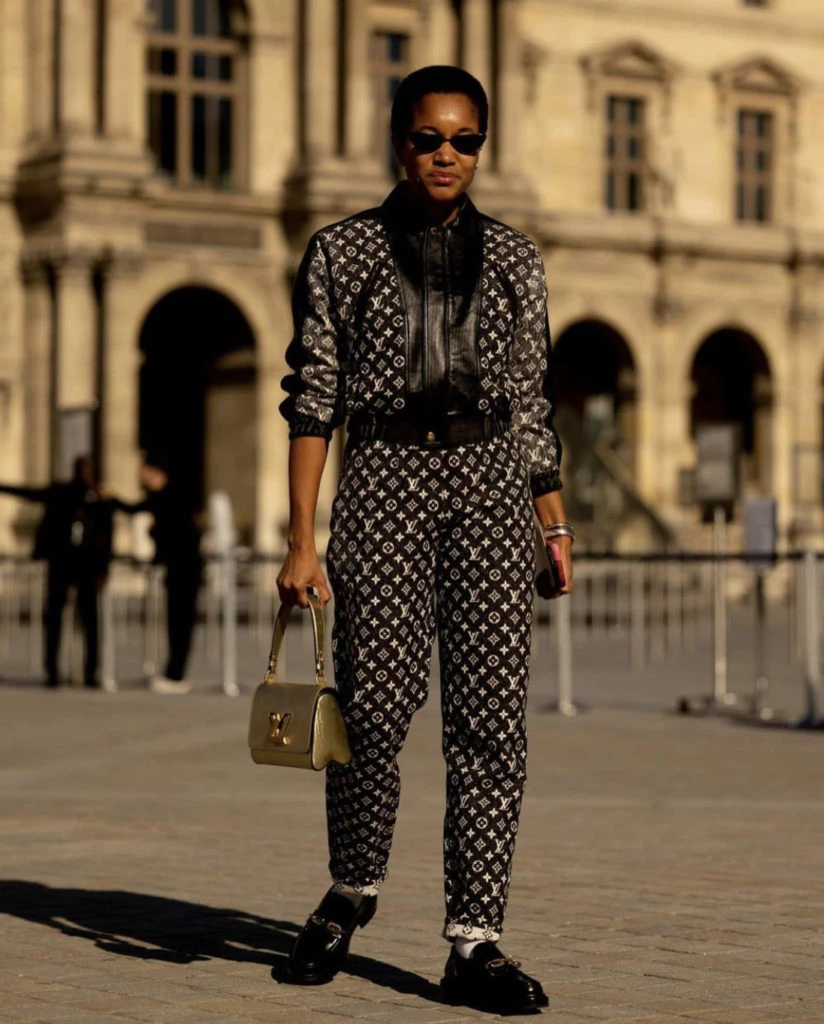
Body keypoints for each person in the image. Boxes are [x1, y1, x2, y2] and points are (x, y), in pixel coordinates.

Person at [275, 65, 574, 1015]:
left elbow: (529, 401)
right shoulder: (342, 253)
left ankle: (473, 940)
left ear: (482, 145)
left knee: (491, 719)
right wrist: (300, 542)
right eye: (428, 138)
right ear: (396, 140)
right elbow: (312, 398)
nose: (446, 156)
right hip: (385, 481)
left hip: (489, 485)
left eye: (464, 141)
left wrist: (552, 520)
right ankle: (352, 888)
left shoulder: (519, 259)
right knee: (372, 707)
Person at [0, 455, 115, 689]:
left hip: (88, 566)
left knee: (90, 621)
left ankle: (91, 671)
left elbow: (107, 537)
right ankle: (52, 670)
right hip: (62, 562)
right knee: (54, 618)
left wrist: (103, 569)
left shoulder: (101, 500)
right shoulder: (61, 492)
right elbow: (30, 494)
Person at [115, 459, 203, 695]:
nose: (140, 478)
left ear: (156, 472)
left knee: (180, 622)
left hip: (183, 569)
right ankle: (174, 671)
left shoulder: (168, 499)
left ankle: (177, 674)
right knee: (177, 622)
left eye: (143, 473)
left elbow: (168, 532)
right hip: (181, 569)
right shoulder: (167, 498)